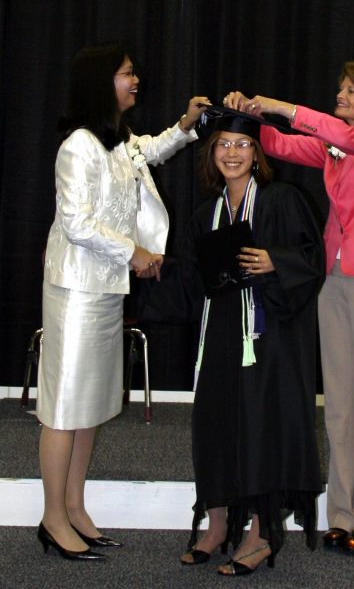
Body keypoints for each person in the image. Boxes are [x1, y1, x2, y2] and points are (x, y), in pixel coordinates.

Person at [223, 60, 354, 557]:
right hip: (336, 278)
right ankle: (342, 513)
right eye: (340, 88)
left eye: (350, 90)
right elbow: (282, 144)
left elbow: (342, 136)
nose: (341, 96)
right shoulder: (337, 147)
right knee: (342, 404)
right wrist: (252, 116)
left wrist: (282, 106)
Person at [36, 42, 209, 561]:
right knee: (63, 410)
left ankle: (74, 506)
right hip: (74, 290)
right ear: (101, 82)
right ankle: (50, 518)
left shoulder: (118, 140)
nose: (136, 80)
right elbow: (77, 223)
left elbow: (150, 151)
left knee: (89, 407)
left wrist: (185, 124)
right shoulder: (78, 146)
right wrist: (133, 250)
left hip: (107, 288)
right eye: (127, 73)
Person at [180, 113, 324, 576]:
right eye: (224, 144)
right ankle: (218, 523)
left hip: (271, 334)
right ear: (212, 152)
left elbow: (312, 258)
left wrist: (273, 261)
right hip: (221, 329)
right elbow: (193, 276)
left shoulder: (283, 200)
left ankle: (261, 533)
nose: (232, 153)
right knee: (217, 420)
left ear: (259, 153)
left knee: (263, 425)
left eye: (243, 144)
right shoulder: (207, 213)